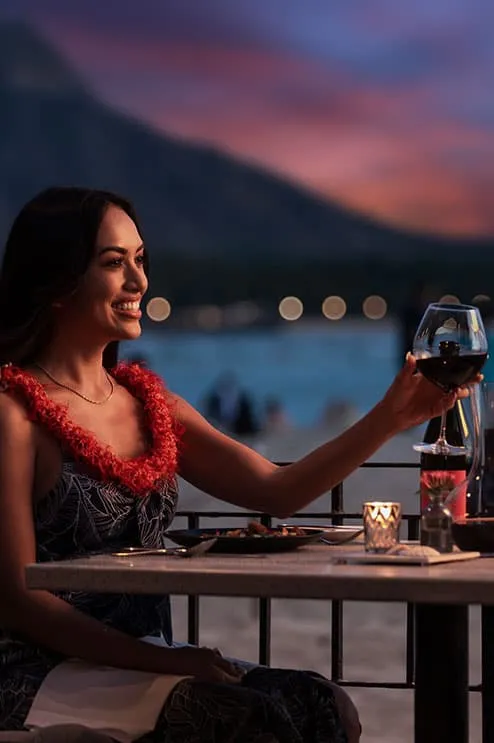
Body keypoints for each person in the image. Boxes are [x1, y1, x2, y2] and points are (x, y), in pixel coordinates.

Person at [0, 188, 476, 743]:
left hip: (143, 661)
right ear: (57, 283)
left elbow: (277, 490)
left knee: (322, 704)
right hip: (40, 672)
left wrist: (392, 416)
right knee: (247, 719)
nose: (139, 282)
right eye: (113, 263)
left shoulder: (152, 405)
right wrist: (169, 664)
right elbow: (17, 599)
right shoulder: (13, 413)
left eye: (140, 259)